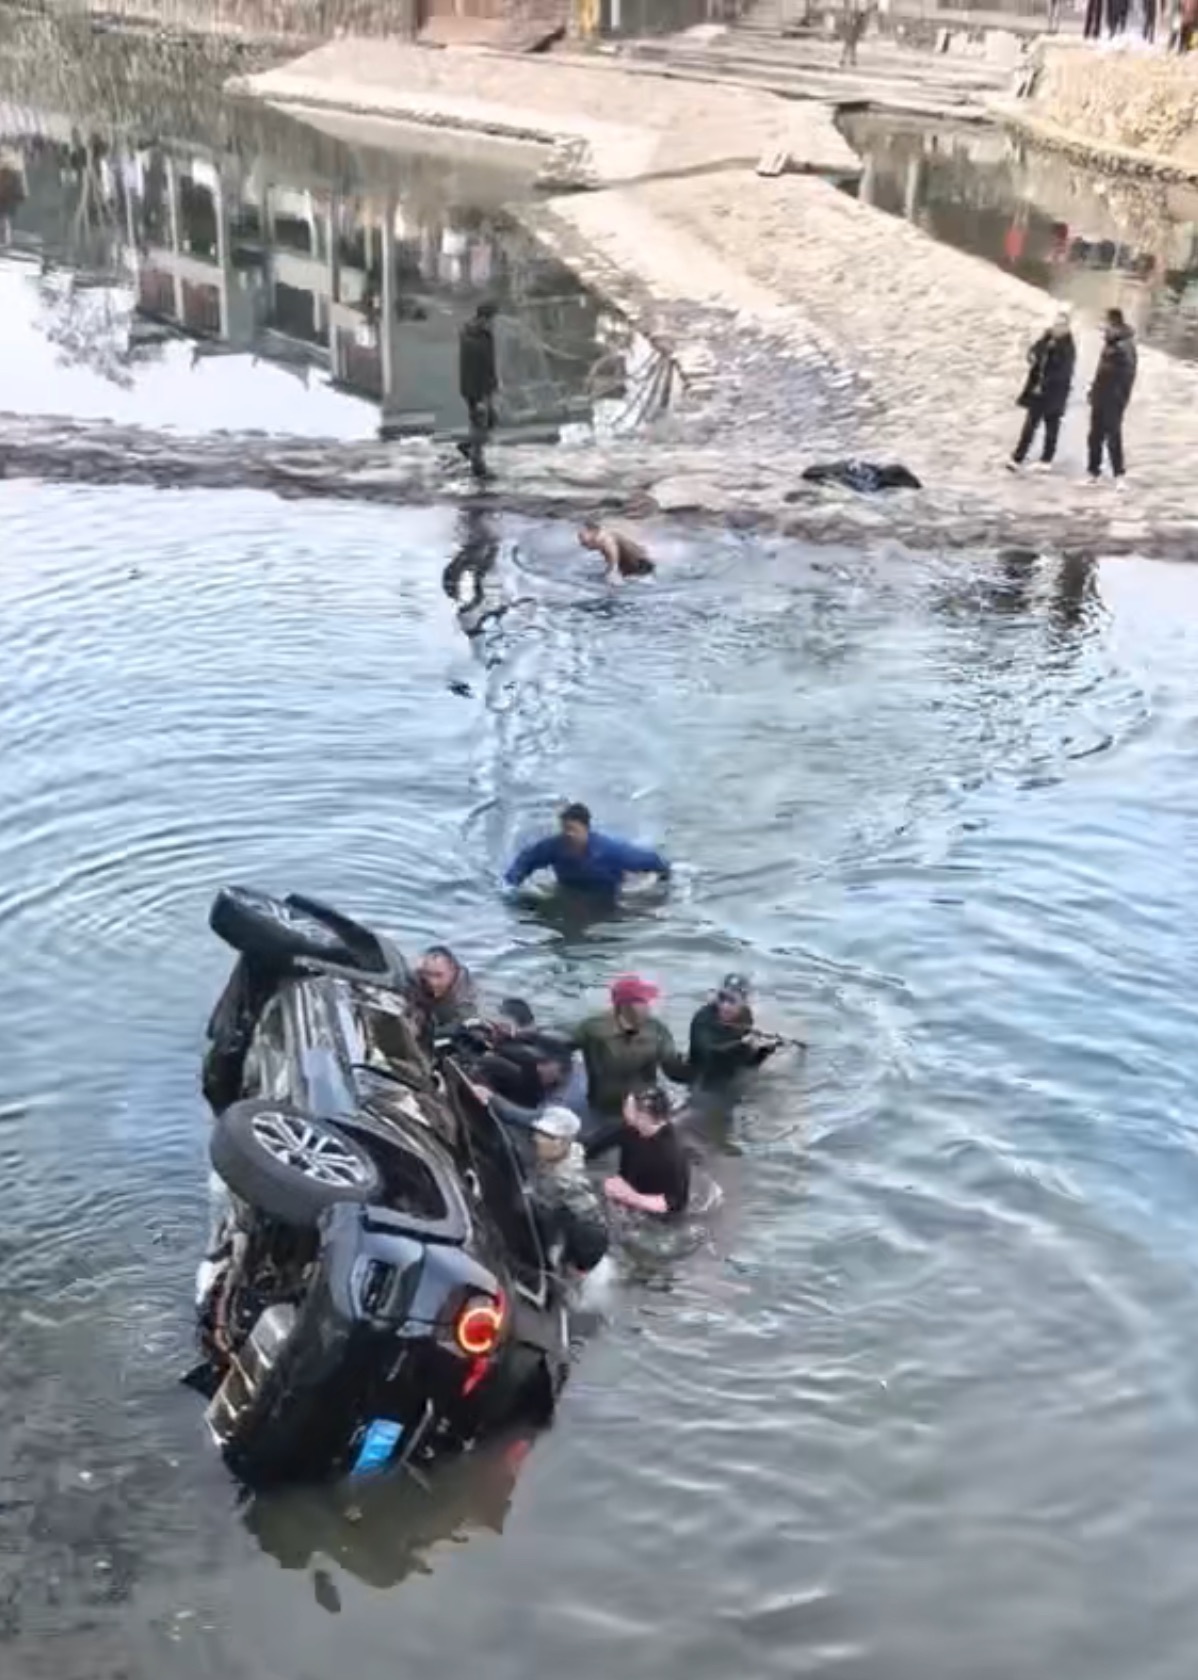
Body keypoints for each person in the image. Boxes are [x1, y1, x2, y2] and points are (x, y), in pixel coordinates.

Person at [573, 976, 690, 1135]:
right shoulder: (593, 1028)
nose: (648, 1006)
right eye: (642, 1001)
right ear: (625, 1006)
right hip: (605, 1108)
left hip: (644, 1108)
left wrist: (695, 1068)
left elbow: (672, 1068)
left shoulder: (656, 1029)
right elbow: (560, 1047)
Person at [505, 802, 670, 896]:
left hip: (608, 893)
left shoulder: (610, 850)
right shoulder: (554, 847)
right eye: (565, 829)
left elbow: (652, 860)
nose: (568, 834)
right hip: (570, 889)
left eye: (573, 830)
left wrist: (664, 880)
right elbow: (526, 860)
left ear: (586, 829)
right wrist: (513, 884)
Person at [604, 1086, 690, 1217]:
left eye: (630, 1110)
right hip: (629, 1189)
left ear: (645, 1116)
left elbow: (676, 1203)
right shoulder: (631, 1129)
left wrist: (628, 1196)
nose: (625, 1112)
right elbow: (596, 1143)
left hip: (654, 1215)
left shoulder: (671, 1154)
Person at [1007, 311, 1076, 474]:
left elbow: (1063, 373)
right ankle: (1018, 457)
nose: (1057, 328)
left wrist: (1044, 384)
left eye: (1061, 325)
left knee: (1051, 425)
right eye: (1056, 324)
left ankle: (1046, 459)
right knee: (1030, 426)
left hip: (1054, 393)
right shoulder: (1046, 338)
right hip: (1038, 392)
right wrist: (1032, 356)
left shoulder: (1068, 347)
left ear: (1067, 328)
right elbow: (1035, 351)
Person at [688, 974, 782, 1088]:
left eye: (732, 1001)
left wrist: (764, 1050)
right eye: (721, 998)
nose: (725, 1006)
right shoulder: (702, 1018)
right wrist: (742, 1044)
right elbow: (707, 1054)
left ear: (743, 1002)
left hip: (729, 1074)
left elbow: (746, 1062)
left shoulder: (745, 1016)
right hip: (702, 1078)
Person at [1087, 308, 1137, 486]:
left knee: (1113, 436)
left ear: (1113, 322)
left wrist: (1120, 397)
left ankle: (1119, 475)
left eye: (1105, 322)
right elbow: (1101, 371)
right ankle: (1093, 473)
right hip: (1101, 396)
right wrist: (1094, 390)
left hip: (1114, 398)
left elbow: (1127, 375)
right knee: (1094, 436)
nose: (1103, 327)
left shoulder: (1125, 345)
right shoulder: (1110, 343)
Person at [458, 301, 499, 481]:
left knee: (490, 421)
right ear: (483, 318)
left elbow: (489, 363)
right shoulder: (474, 336)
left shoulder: (482, 334)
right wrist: (482, 395)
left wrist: (493, 382)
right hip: (476, 388)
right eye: (491, 319)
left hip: (481, 386)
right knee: (480, 423)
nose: (493, 323)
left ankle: (468, 446)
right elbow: (477, 366)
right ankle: (478, 466)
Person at [408, 945, 478, 1038]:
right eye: (428, 974)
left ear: (453, 970)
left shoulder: (465, 992)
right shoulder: (418, 978)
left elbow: (467, 1022)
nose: (433, 982)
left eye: (438, 975)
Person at [577, 520, 654, 584]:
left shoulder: (606, 541)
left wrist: (611, 578)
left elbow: (613, 566)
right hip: (637, 563)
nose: (581, 542)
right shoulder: (603, 538)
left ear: (593, 532)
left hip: (641, 566)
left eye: (581, 537)